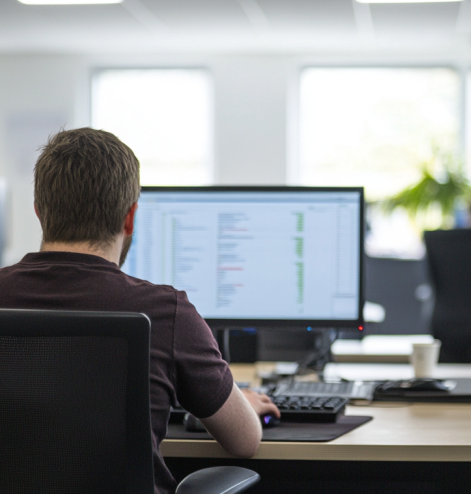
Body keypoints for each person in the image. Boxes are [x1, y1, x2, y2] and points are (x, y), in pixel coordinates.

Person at [0, 127, 279, 494]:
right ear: (130, 218)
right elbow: (244, 441)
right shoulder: (166, 311)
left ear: (39, 212)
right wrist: (243, 402)